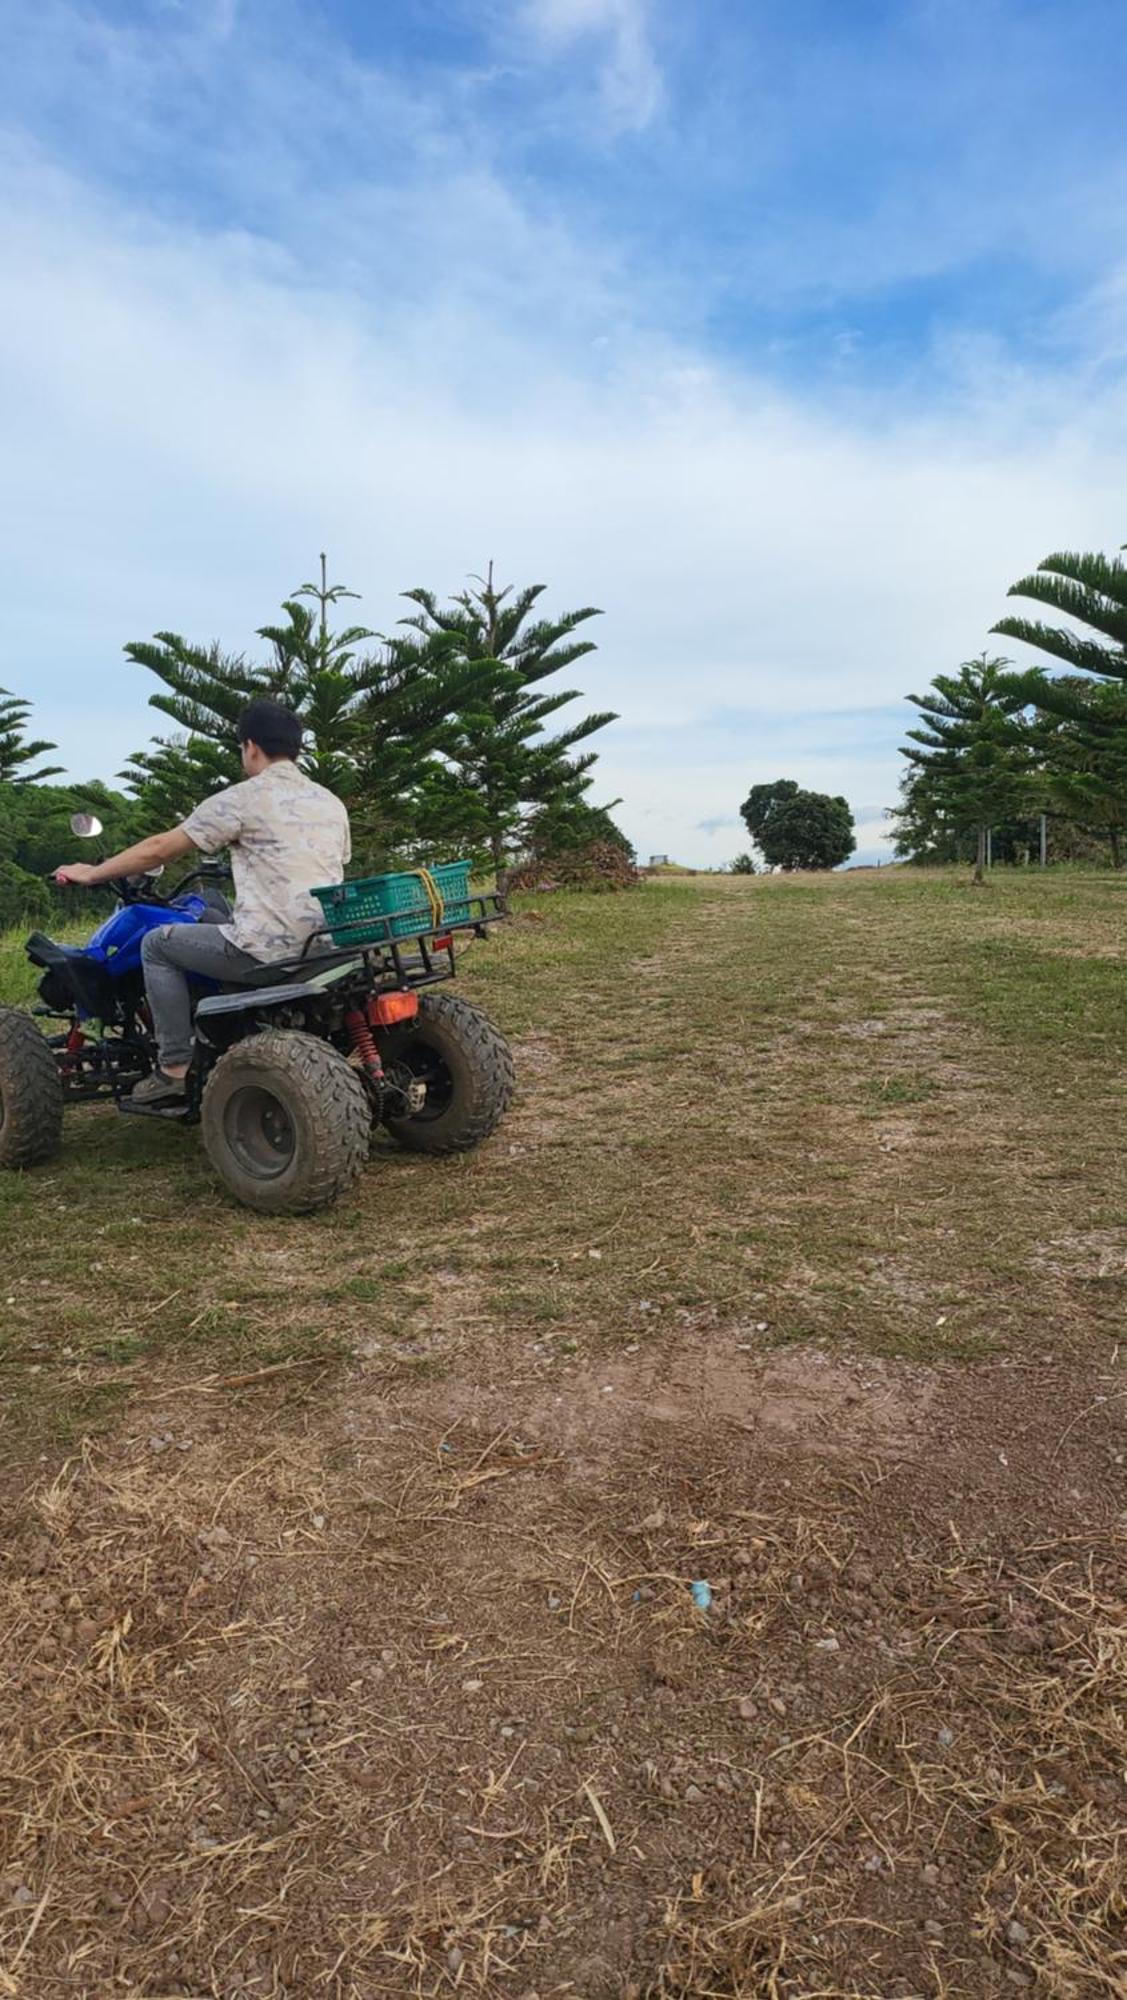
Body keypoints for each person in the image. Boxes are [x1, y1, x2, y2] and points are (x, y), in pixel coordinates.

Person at [55, 698, 351, 1104]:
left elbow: (160, 849)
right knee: (212, 919)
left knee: (157, 944)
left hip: (265, 949)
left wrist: (91, 872)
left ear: (250, 746)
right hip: (323, 943)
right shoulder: (330, 803)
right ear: (296, 747)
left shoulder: (244, 798)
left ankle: (174, 1066)